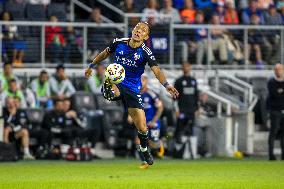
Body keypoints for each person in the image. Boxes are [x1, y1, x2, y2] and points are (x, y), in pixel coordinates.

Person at [85, 22, 179, 166]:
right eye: (137, 28)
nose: (139, 31)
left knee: (142, 127)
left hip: (133, 89)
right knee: (112, 88)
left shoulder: (145, 52)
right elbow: (104, 54)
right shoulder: (118, 43)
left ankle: (144, 148)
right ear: (133, 30)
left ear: (146, 36)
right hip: (117, 82)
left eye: (143, 30)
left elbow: (157, 71)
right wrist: (91, 65)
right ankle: (108, 88)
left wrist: (167, 85)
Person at [135, 74, 164, 169]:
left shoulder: (151, 94)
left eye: (143, 80)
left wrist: (154, 120)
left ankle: (160, 143)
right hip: (143, 123)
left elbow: (160, 107)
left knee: (154, 145)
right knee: (138, 141)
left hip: (153, 123)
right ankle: (144, 161)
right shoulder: (136, 94)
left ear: (147, 81)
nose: (141, 82)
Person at [174, 62, 198, 143]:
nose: (186, 68)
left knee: (190, 127)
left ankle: (190, 149)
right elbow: (174, 97)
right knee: (180, 127)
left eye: (187, 66)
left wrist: (197, 108)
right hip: (182, 109)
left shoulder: (193, 81)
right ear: (182, 68)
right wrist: (176, 109)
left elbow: (196, 96)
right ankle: (177, 146)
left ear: (190, 68)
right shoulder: (179, 81)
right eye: (184, 67)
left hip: (191, 110)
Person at [267, 64, 284, 161]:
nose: (278, 71)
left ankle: (283, 155)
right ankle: (271, 155)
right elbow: (275, 94)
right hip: (275, 111)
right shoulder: (271, 82)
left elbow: (279, 93)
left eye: (280, 69)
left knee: (283, 135)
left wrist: (280, 92)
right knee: (273, 133)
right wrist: (279, 93)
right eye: (276, 70)